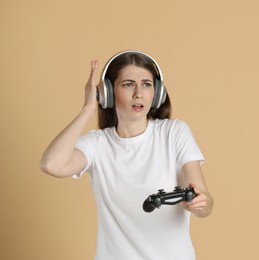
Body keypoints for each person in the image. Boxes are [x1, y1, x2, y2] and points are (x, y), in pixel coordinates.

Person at [40, 50, 213, 260]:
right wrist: (88, 108)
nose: (138, 93)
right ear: (108, 93)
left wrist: (200, 203)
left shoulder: (174, 132)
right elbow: (51, 164)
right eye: (128, 84)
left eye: (147, 84)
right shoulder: (97, 144)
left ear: (157, 93)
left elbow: (205, 203)